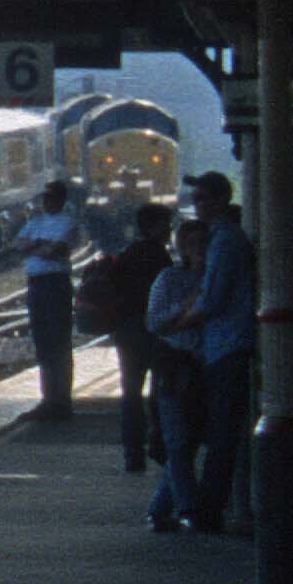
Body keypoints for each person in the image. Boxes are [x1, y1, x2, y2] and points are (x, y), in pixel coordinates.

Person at [169, 172, 262, 532]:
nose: (198, 204)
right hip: (224, 344)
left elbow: (214, 299)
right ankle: (212, 504)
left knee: (222, 430)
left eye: (205, 198)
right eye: (195, 198)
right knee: (220, 428)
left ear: (223, 199)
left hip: (228, 344)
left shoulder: (225, 241)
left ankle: (210, 509)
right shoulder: (223, 239)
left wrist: (179, 321)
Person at [92, 197, 173, 472]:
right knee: (161, 389)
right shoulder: (159, 255)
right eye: (166, 225)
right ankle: (160, 446)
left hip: (128, 330)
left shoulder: (128, 253)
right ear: (153, 226)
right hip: (153, 330)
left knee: (131, 391)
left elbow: (113, 285)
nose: (170, 230)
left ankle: (133, 453)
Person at [19, 177, 79, 413]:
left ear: (61, 199)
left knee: (59, 341)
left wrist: (35, 246)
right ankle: (48, 398)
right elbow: (17, 244)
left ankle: (62, 399)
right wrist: (42, 246)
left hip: (56, 284)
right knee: (42, 342)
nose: (46, 201)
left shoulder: (68, 222)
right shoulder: (35, 221)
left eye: (50, 197)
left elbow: (57, 251)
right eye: (44, 197)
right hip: (36, 284)